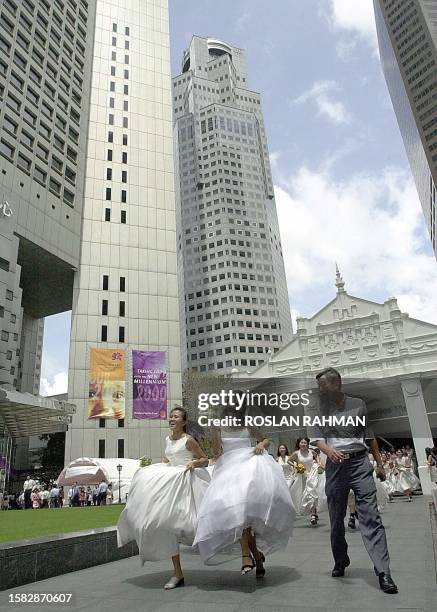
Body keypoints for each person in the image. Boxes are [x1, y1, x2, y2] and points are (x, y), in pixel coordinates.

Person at [307, 367, 398, 594]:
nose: (319, 389)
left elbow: (369, 435)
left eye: (323, 385)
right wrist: (329, 451)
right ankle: (340, 559)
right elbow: (316, 439)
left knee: (371, 517)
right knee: (336, 519)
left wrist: (379, 464)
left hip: (359, 464)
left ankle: (383, 570)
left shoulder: (358, 404)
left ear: (336, 384)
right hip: (335, 467)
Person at [193, 402, 295, 577]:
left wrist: (261, 445)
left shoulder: (247, 423)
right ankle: (255, 555)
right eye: (230, 407)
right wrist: (214, 432)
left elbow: (264, 439)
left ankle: (246, 556)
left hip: (249, 468)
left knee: (243, 514)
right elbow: (217, 452)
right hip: (229, 469)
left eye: (236, 407)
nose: (233, 410)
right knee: (240, 515)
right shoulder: (218, 426)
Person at [117, 406, 209, 590]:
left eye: (176, 417)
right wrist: (162, 465)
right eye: (171, 416)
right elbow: (169, 459)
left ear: (183, 422)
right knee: (164, 523)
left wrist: (193, 462)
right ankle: (177, 573)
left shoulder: (188, 440)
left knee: (182, 522)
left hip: (184, 483)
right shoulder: (168, 439)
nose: (172, 419)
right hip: (169, 483)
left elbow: (204, 459)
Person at [289, 437, 325, 526]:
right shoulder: (296, 453)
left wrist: (319, 464)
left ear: (307, 444)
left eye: (305, 443)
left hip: (312, 474)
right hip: (303, 475)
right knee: (307, 494)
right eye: (302, 443)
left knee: (313, 493)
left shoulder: (311, 452)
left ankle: (313, 514)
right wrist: (296, 466)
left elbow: (317, 457)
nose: (303, 444)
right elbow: (289, 461)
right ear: (299, 444)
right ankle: (313, 511)